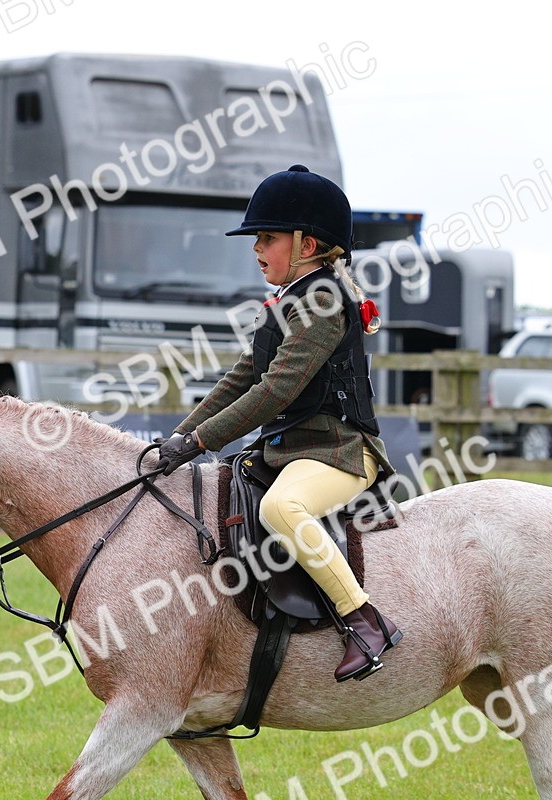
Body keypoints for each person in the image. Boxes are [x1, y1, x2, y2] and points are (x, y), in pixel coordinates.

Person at [159, 164, 403, 682]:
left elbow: (274, 393)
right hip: (293, 451)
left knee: (281, 508)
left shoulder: (322, 303)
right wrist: (182, 436)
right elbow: (241, 377)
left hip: (341, 453)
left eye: (267, 238)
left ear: (307, 244)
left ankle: (365, 621)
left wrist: (201, 440)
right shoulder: (285, 303)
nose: (256, 248)